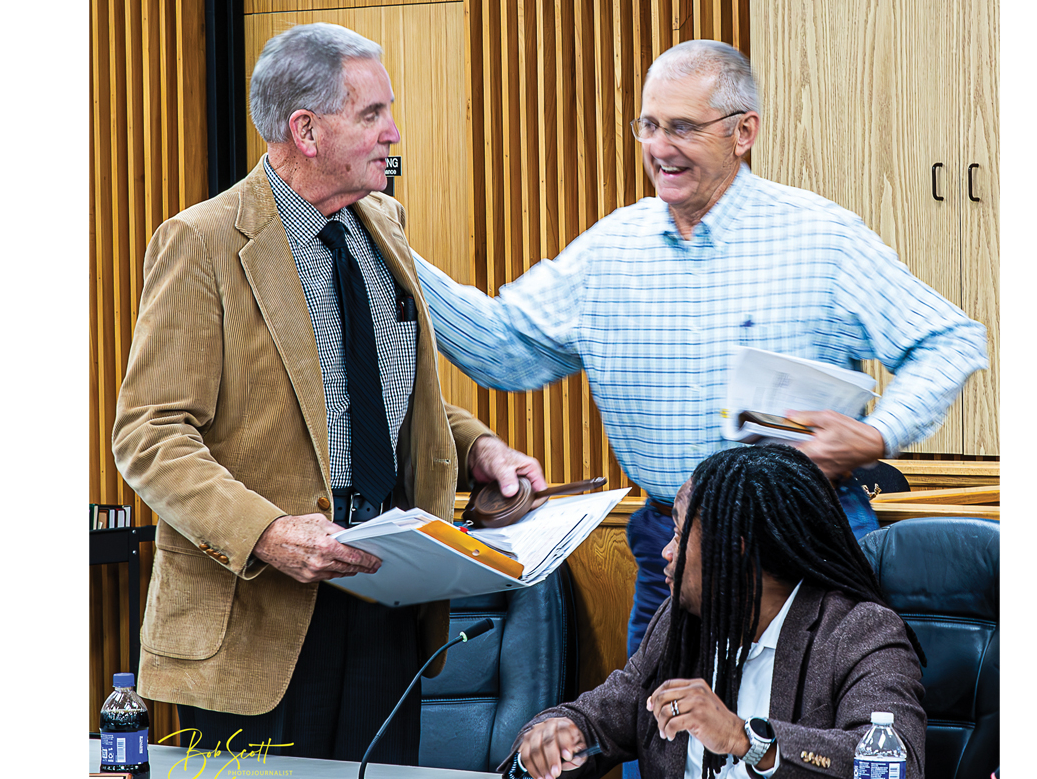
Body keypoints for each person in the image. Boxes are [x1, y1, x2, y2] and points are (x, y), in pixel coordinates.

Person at [411, 39, 989, 664]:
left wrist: (878, 436)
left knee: (801, 748)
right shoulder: (610, 250)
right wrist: (391, 250)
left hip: (800, 542)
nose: (659, 148)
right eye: (649, 125)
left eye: (682, 127)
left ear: (744, 132)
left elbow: (950, 339)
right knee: (658, 745)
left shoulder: (821, 238)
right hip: (670, 550)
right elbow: (502, 351)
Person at [111, 23, 544, 764]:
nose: (394, 132)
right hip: (259, 621)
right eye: (372, 113)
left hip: (388, 603)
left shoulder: (385, 223)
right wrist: (267, 534)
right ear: (305, 129)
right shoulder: (202, 242)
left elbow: (384, 389)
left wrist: (481, 448)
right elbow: (150, 434)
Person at [504, 445, 927, 779]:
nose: (666, 553)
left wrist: (745, 739)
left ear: (733, 551)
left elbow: (896, 766)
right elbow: (601, 715)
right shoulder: (681, 621)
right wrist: (556, 734)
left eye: (679, 533)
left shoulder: (859, 633)